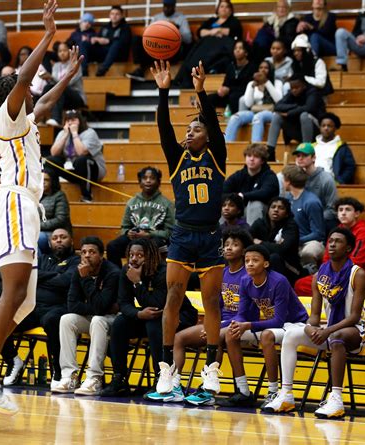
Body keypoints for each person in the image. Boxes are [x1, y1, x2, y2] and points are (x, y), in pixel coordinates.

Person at [0, 1, 83, 415]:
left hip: (21, 207)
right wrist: (46, 36)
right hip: (13, 204)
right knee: (14, 292)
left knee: (24, 302)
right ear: (11, 96)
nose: (27, 91)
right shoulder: (6, 117)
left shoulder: (24, 121)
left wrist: (67, 77)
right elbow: (24, 80)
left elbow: (42, 104)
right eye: (19, 87)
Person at [150, 59, 226, 405]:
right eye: (189, 130)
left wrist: (200, 92)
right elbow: (163, 126)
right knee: (173, 297)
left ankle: (211, 368)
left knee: (211, 301)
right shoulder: (176, 158)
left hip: (210, 237)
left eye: (196, 129)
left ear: (208, 135)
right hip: (182, 234)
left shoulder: (218, 156)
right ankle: (168, 368)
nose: (189, 132)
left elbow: (210, 120)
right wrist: (163, 90)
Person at [263, 228, 365, 418]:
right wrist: (310, 327)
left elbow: (354, 317)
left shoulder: (356, 273)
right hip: (329, 331)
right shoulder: (320, 275)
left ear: (349, 248)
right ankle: (286, 395)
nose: (332, 244)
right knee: (291, 335)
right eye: (330, 241)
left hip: (355, 332)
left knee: (336, 336)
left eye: (338, 241)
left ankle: (336, 398)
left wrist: (326, 332)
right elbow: (315, 316)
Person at [146, 229, 252, 405]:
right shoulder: (220, 272)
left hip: (240, 324)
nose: (228, 248)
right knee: (178, 338)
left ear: (244, 250)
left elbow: (246, 312)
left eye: (234, 244)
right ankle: (174, 386)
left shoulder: (247, 275)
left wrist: (216, 327)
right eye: (226, 245)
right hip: (222, 323)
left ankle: (208, 391)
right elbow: (215, 307)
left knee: (214, 337)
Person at [0, 227, 80, 385]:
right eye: (55, 238)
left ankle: (59, 372)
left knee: (52, 320)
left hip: (57, 306)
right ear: (50, 243)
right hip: (32, 307)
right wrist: (53, 276)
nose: (58, 240)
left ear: (71, 241)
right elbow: (30, 279)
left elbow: (65, 282)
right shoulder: (42, 259)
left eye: (63, 237)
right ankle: (13, 361)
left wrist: (41, 277)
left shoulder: (76, 261)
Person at [101, 238, 197, 397]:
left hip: (181, 316)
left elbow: (157, 305)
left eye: (139, 255)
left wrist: (138, 283)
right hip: (152, 317)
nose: (134, 258)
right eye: (131, 254)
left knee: (154, 324)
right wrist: (138, 314)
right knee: (120, 323)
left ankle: (161, 379)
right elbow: (123, 303)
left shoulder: (164, 273)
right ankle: (120, 378)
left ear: (151, 256)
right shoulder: (127, 271)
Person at [217, 244, 308, 408]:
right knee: (232, 333)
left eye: (255, 260)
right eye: (247, 261)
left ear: (265, 264)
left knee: (266, 335)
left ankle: (272, 391)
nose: (250, 264)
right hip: (273, 326)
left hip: (295, 325)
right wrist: (236, 323)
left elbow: (279, 321)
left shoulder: (279, 281)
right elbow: (241, 314)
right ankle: (243, 391)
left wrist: (248, 325)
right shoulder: (245, 281)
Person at [51, 236, 120, 395]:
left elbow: (101, 307)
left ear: (101, 255)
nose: (87, 255)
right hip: (98, 314)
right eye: (83, 252)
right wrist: (98, 307)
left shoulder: (112, 272)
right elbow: (72, 305)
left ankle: (94, 378)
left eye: (92, 252)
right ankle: (69, 376)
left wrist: (87, 280)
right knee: (66, 319)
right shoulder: (79, 271)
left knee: (97, 320)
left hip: (113, 320)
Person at [294, 197, 365, 295]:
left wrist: (335, 275)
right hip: (334, 273)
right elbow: (326, 258)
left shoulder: (364, 232)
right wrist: (327, 274)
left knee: (327, 287)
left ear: (357, 213)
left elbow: (357, 261)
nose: (343, 213)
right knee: (300, 284)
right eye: (340, 210)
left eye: (348, 209)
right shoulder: (336, 231)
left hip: (356, 274)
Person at [106, 166, 175, 269]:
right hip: (135, 239)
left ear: (158, 182)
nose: (148, 181)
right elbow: (124, 227)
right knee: (112, 246)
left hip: (155, 239)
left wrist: (148, 234)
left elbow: (169, 232)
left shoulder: (167, 204)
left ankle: (151, 277)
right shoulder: (131, 202)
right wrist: (127, 233)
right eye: (145, 178)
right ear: (140, 181)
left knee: (150, 247)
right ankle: (119, 276)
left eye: (152, 178)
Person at [173, 0, 242, 88]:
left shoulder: (234, 21)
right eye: (222, 6)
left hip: (221, 47)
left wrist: (217, 30)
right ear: (217, 9)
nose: (224, 9)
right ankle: (187, 78)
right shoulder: (211, 20)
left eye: (227, 7)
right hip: (205, 45)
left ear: (231, 10)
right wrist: (212, 32)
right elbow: (200, 32)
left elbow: (233, 32)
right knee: (193, 55)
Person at [126, 0, 192, 82]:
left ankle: (179, 75)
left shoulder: (181, 18)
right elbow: (147, 36)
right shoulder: (157, 18)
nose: (167, 8)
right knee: (137, 39)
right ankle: (139, 70)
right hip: (156, 50)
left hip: (172, 53)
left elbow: (188, 40)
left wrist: (175, 30)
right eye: (165, 6)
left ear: (174, 7)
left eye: (169, 6)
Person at [48, 109, 105, 202]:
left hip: (93, 171)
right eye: (67, 120)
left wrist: (74, 133)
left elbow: (81, 152)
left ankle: (87, 196)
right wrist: (65, 135)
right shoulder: (62, 133)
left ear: (80, 121)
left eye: (73, 120)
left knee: (82, 160)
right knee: (51, 161)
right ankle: (55, 195)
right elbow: (53, 153)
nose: (70, 123)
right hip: (71, 168)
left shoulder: (89, 133)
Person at [266, 74, 325, 162]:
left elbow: (309, 108)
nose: (294, 90)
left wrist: (290, 113)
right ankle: (270, 151)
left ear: (304, 85)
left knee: (304, 115)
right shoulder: (291, 94)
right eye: (292, 88)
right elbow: (277, 106)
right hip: (299, 130)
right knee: (277, 116)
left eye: (297, 87)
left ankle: (306, 149)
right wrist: (295, 106)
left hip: (315, 129)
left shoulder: (313, 92)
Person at [224, 60, 283, 143]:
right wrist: (252, 87)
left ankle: (255, 147)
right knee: (235, 117)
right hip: (254, 111)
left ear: (271, 70)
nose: (263, 70)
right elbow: (248, 103)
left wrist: (266, 82)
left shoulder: (277, 83)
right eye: (261, 67)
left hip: (272, 112)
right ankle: (226, 147)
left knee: (258, 117)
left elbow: (279, 100)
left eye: (266, 68)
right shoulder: (251, 83)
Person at [282, 165, 325, 273]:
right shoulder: (288, 198)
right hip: (293, 240)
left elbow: (319, 233)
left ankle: (311, 278)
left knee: (308, 252)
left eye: (283, 179)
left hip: (310, 242)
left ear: (288, 181)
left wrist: (297, 241)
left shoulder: (311, 202)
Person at [223, 143, 279, 225]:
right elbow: (223, 190)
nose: (251, 159)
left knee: (255, 204)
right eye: (249, 156)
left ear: (262, 161)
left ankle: (252, 235)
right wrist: (236, 197)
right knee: (224, 206)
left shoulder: (269, 176)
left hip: (264, 212)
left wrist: (243, 196)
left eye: (256, 157)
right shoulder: (239, 174)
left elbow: (265, 193)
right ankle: (220, 235)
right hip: (239, 210)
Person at [287, 142, 338, 231]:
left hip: (321, 222)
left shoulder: (326, 179)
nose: (300, 158)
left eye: (305, 155)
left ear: (313, 158)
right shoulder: (293, 178)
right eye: (298, 156)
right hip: (298, 222)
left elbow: (332, 210)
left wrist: (312, 219)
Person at [250, 196, 302, 284]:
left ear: (286, 213)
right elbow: (247, 239)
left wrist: (260, 243)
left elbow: (281, 249)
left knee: (274, 258)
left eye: (281, 208)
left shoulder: (291, 226)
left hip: (290, 267)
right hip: (264, 263)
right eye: (273, 207)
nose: (276, 210)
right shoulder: (260, 223)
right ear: (268, 210)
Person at [42, 41, 86, 127]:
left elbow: (68, 83)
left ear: (70, 51)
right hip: (61, 98)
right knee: (48, 87)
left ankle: (56, 119)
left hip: (75, 97)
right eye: (60, 51)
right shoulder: (56, 66)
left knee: (61, 89)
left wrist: (52, 78)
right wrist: (48, 79)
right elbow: (54, 84)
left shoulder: (76, 64)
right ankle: (41, 116)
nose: (62, 53)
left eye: (64, 50)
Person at [80, 5, 131, 77]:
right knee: (84, 43)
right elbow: (97, 39)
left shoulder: (125, 27)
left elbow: (124, 42)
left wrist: (108, 41)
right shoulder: (105, 27)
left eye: (117, 14)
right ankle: (84, 71)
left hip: (118, 55)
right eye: (112, 14)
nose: (114, 16)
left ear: (122, 16)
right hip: (104, 54)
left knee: (116, 44)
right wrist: (95, 39)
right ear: (109, 15)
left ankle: (102, 70)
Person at [207, 39, 255, 115]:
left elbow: (248, 87)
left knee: (234, 97)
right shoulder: (231, 66)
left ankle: (235, 120)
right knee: (210, 98)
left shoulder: (252, 67)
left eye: (240, 48)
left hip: (243, 94)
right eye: (235, 48)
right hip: (230, 94)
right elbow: (226, 83)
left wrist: (229, 89)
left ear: (246, 52)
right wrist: (222, 89)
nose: (237, 50)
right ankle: (210, 121)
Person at [313, 113, 356, 184]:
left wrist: (340, 181)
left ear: (335, 128)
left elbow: (350, 167)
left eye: (329, 126)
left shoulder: (342, 147)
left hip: (331, 184)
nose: (326, 128)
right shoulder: (313, 146)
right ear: (320, 128)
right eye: (323, 126)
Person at [38, 169, 71, 254]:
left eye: (46, 180)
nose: (43, 182)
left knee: (38, 238)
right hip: (36, 230)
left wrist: (38, 226)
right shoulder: (34, 196)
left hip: (55, 232)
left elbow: (60, 219)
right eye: (41, 179)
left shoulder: (59, 196)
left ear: (53, 181)